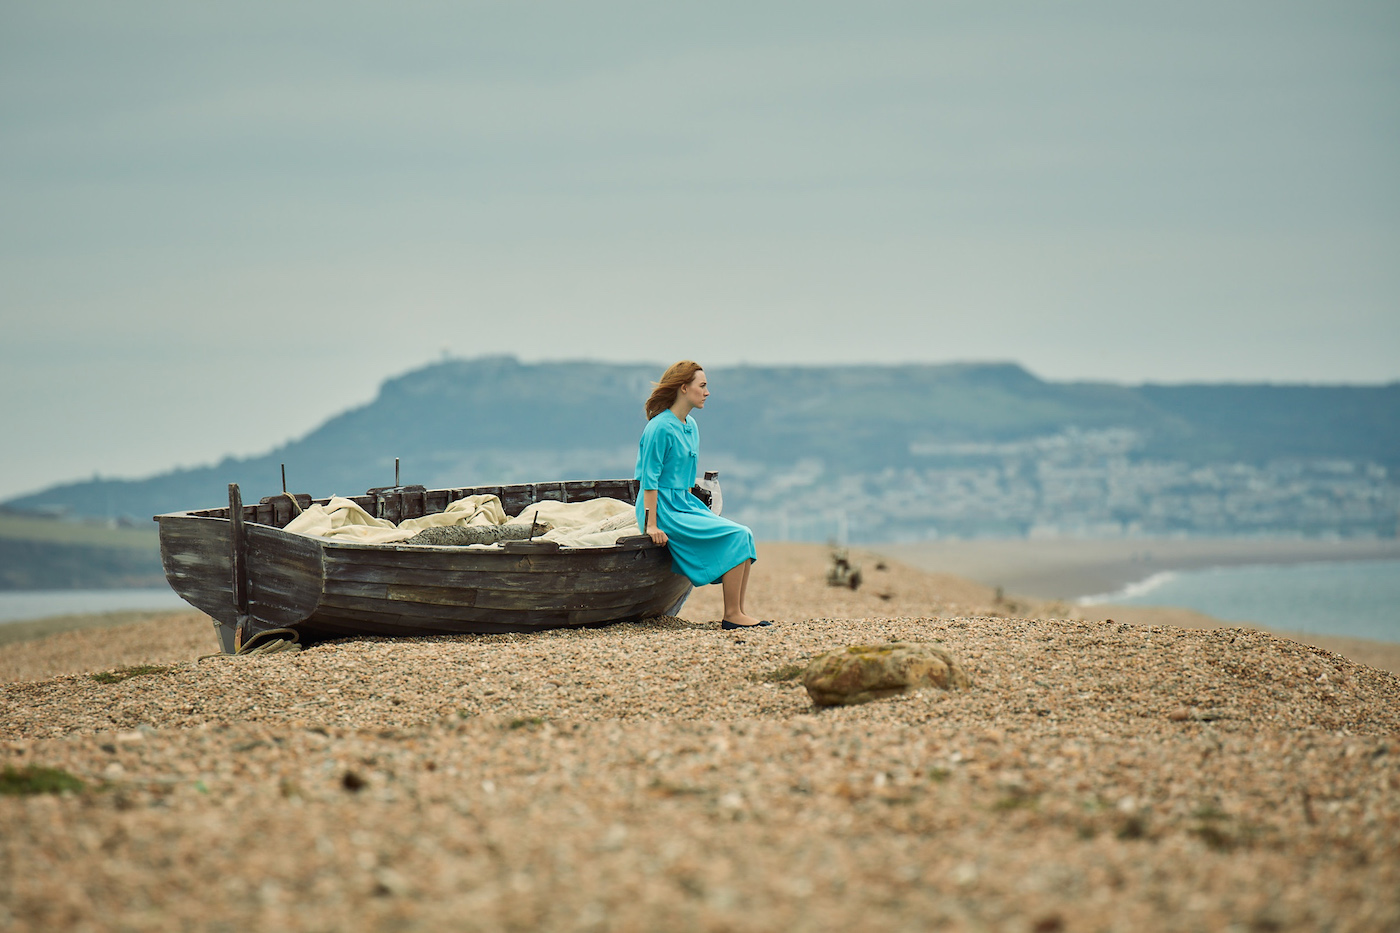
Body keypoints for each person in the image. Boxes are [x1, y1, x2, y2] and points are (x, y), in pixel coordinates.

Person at [635, 361, 770, 629]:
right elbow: (648, 480)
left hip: (684, 503)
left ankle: (738, 611)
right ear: (684, 388)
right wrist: (652, 524)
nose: (707, 392)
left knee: (744, 534)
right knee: (735, 535)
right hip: (663, 508)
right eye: (703, 386)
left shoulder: (691, 425)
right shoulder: (659, 428)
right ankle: (732, 615)